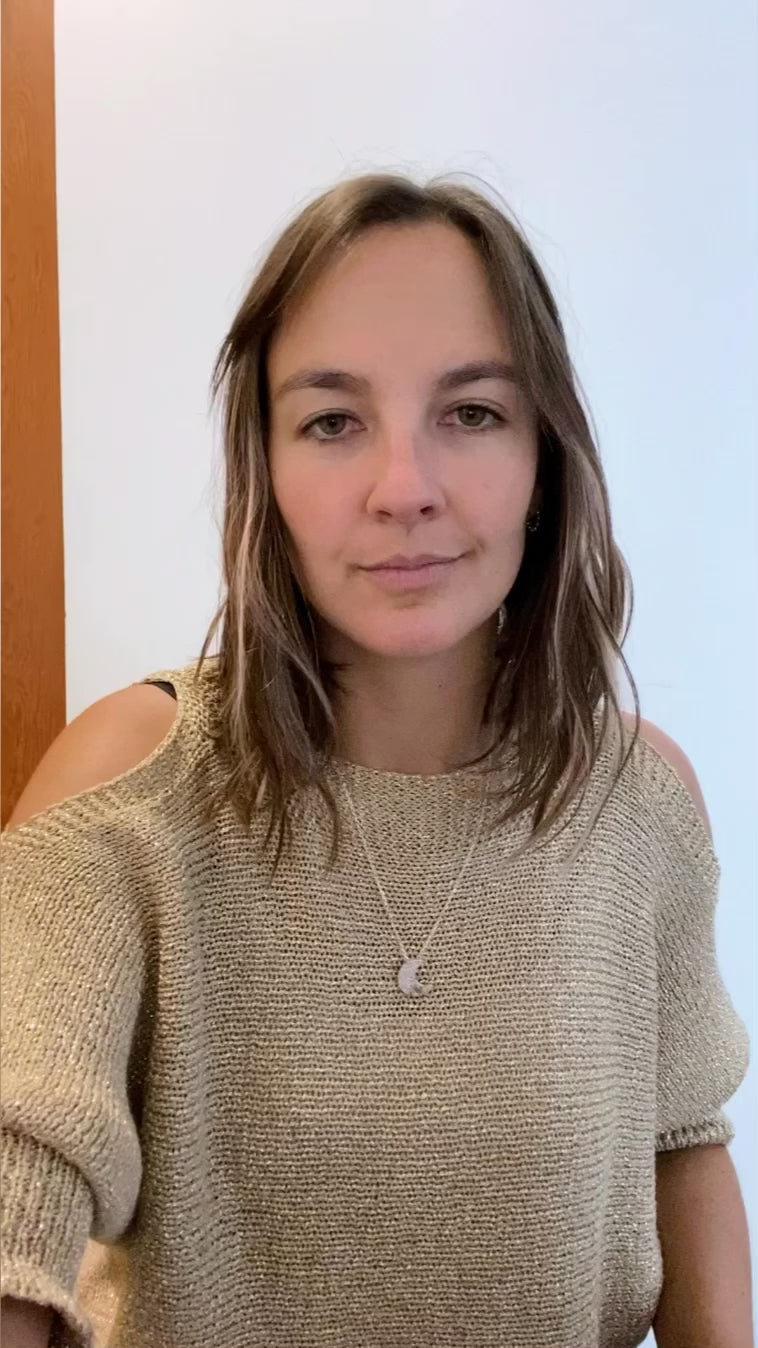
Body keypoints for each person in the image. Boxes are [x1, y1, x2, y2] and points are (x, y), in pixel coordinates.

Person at [0, 172, 751, 1348]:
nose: (403, 489)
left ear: (545, 458)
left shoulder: (639, 799)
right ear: (264, 467)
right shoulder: (124, 788)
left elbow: (679, 1143)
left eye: (472, 413)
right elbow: (19, 1176)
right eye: (331, 421)